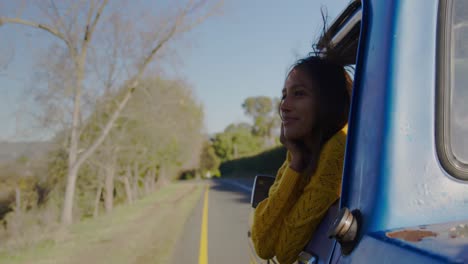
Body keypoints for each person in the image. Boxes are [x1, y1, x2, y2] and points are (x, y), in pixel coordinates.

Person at [250, 53, 352, 263]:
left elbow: (286, 251)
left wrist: (295, 164)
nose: (284, 106)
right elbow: (263, 243)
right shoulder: (304, 150)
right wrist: (295, 162)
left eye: (298, 94)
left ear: (327, 101)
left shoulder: (338, 150)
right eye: (284, 95)